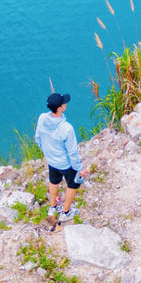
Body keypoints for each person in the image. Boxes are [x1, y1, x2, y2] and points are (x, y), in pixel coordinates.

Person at [35, 91, 84, 222]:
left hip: (51, 160)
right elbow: (72, 152)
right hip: (65, 163)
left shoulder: (42, 118)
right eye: (63, 103)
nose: (65, 103)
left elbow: (38, 138)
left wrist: (47, 153)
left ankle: (53, 206)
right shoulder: (67, 128)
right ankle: (66, 212)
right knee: (73, 185)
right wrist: (79, 169)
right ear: (59, 109)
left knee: (53, 181)